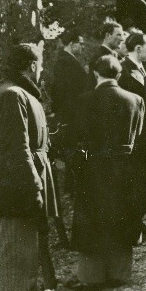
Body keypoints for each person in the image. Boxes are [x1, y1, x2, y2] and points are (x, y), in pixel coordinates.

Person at [0, 43, 59, 291]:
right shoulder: (13, 95)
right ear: (31, 65)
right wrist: (33, 183)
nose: (41, 69)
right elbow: (17, 147)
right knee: (16, 245)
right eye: (39, 64)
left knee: (28, 244)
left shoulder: (19, 93)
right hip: (17, 180)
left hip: (25, 175)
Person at [70, 55, 144, 291]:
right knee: (122, 216)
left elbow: (76, 134)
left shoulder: (83, 101)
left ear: (95, 74)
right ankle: (120, 273)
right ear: (119, 75)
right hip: (125, 168)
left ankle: (92, 276)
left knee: (93, 219)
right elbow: (138, 134)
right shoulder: (135, 100)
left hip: (94, 168)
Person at [119, 32, 146, 241]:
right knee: (135, 183)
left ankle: (137, 223)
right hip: (134, 139)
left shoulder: (142, 68)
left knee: (144, 183)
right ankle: (132, 227)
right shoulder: (123, 71)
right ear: (138, 49)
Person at [50, 29, 88, 197]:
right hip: (72, 114)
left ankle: (72, 186)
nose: (82, 47)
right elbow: (64, 92)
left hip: (72, 113)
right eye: (80, 44)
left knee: (73, 150)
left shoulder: (67, 61)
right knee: (72, 150)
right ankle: (72, 187)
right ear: (72, 45)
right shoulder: (65, 63)